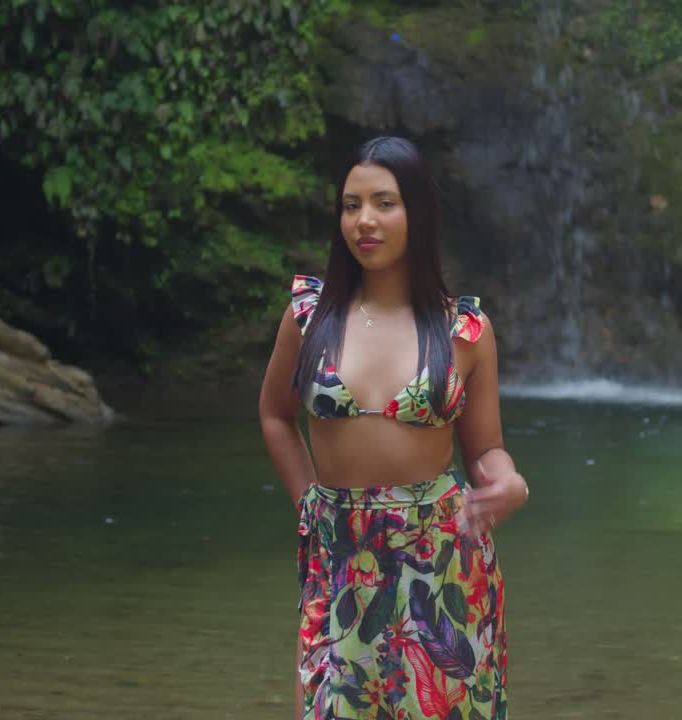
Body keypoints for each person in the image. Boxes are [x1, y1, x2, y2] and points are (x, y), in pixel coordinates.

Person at [258, 136, 528, 719]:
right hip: (340, 552)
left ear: (419, 214)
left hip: (442, 555)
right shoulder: (310, 316)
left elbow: (486, 450)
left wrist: (508, 482)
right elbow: (276, 415)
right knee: (336, 707)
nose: (364, 221)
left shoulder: (465, 329)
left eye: (384, 202)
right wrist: (308, 501)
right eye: (351, 205)